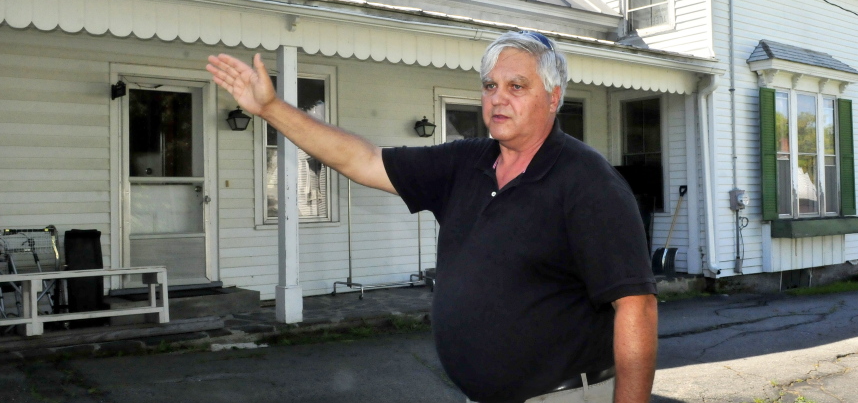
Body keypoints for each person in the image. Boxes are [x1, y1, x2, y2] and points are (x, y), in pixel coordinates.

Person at [207, 31, 658, 403]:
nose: (498, 99)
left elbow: (635, 307)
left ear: (554, 97)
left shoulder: (587, 182)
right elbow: (362, 159)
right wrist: (271, 108)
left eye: (516, 87)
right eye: (489, 86)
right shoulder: (466, 163)